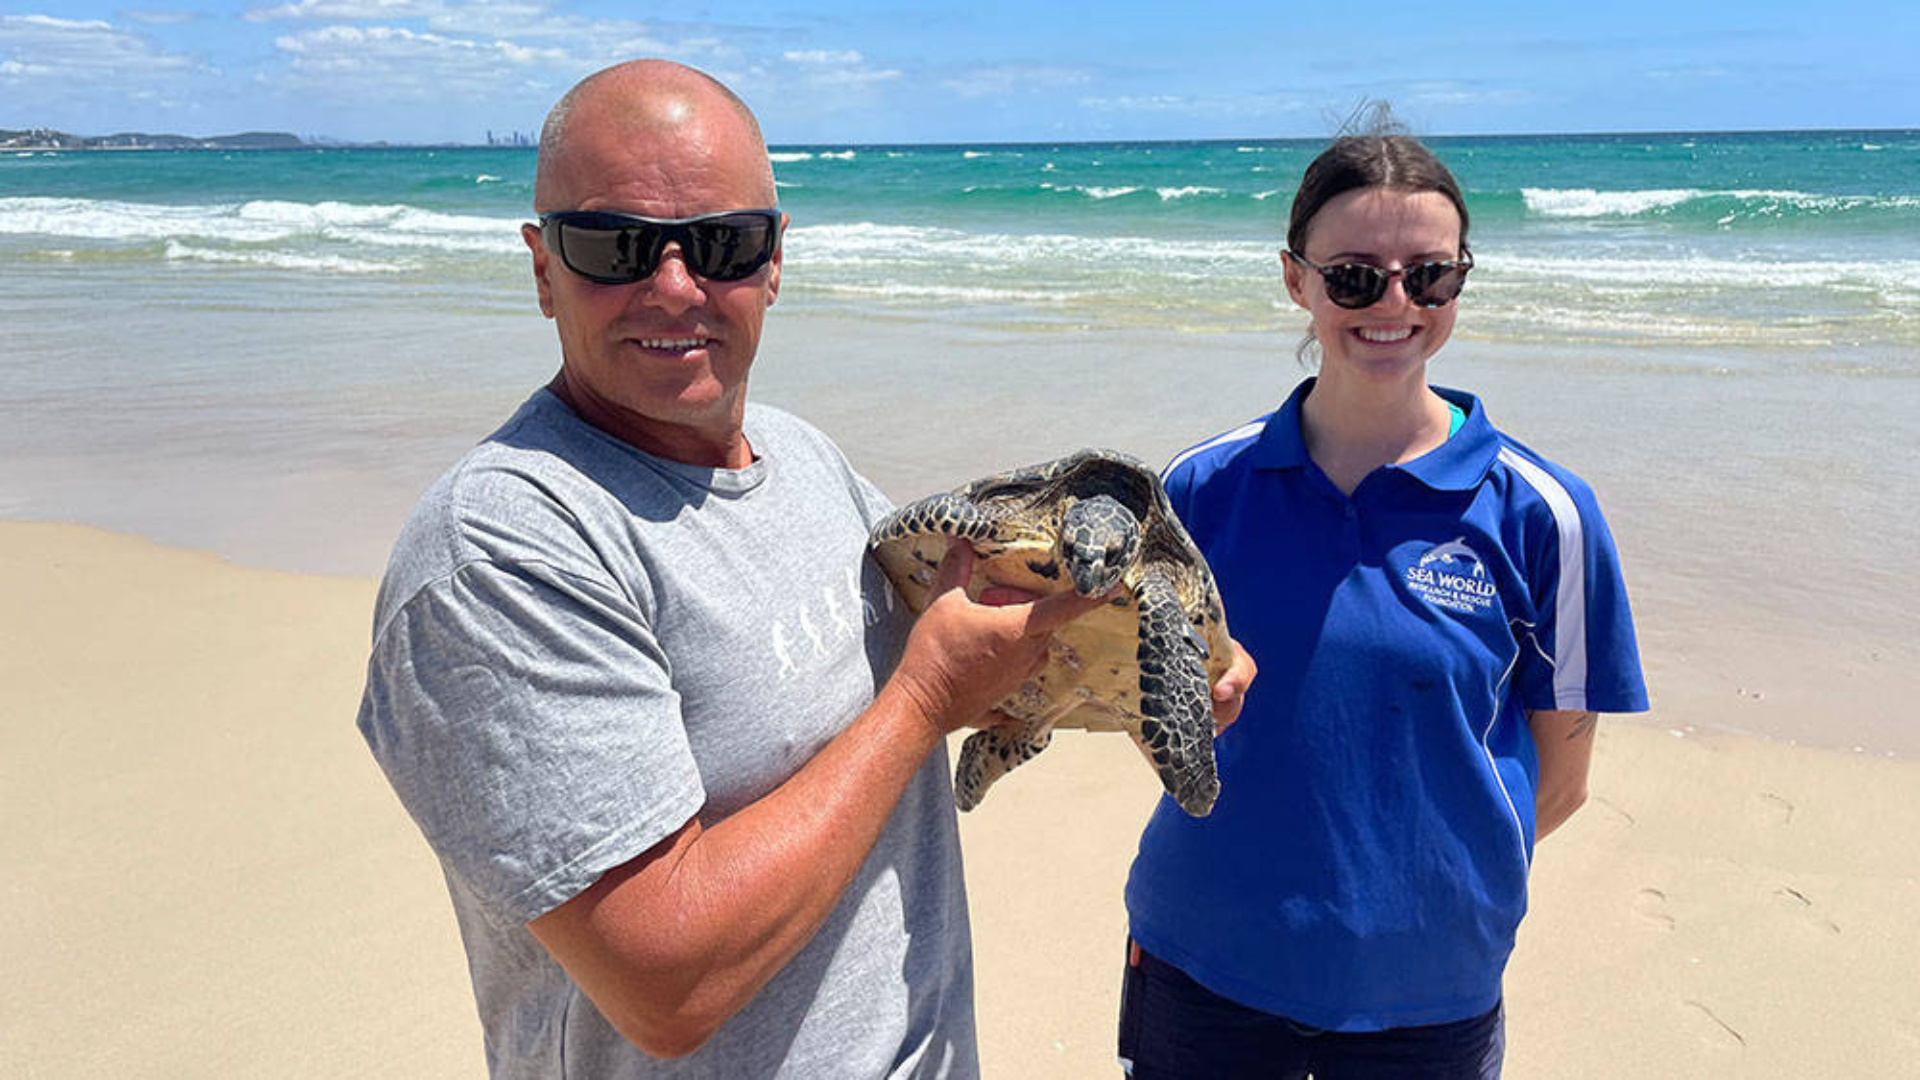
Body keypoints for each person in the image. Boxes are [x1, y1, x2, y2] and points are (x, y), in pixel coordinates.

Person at [355, 59, 1173, 1078]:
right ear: (540, 265)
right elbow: (669, 981)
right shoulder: (504, 554)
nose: (674, 286)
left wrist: (1163, 676)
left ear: (775, 261)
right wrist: (921, 703)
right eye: (613, 247)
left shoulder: (803, 461)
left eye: (722, 245)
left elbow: (982, 627)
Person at [1118, 117, 1649, 1078]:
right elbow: (1148, 709)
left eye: (1430, 274)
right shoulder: (1201, 490)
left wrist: (1417, 899)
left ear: (1459, 281)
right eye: (1354, 275)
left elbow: (1559, 781)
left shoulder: (1546, 515)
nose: (1394, 302)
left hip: (1431, 993)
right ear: (1296, 280)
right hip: (1206, 962)